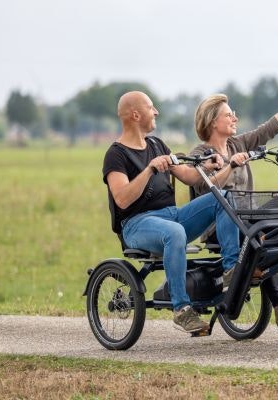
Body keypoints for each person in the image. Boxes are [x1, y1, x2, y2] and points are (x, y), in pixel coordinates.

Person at [190, 80, 278, 330]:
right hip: (222, 226)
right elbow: (204, 187)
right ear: (213, 122)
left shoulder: (238, 144)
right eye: (229, 114)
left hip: (250, 217)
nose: (235, 118)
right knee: (261, 237)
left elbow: (272, 126)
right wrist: (230, 164)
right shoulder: (201, 153)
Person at [102, 91, 241, 334]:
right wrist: (149, 170)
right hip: (137, 225)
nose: (156, 112)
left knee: (223, 198)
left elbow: (188, 176)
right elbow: (122, 199)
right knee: (174, 232)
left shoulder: (157, 145)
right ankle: (181, 310)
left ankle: (232, 272)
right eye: (151, 107)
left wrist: (206, 167)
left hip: (171, 215)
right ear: (136, 114)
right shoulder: (116, 154)